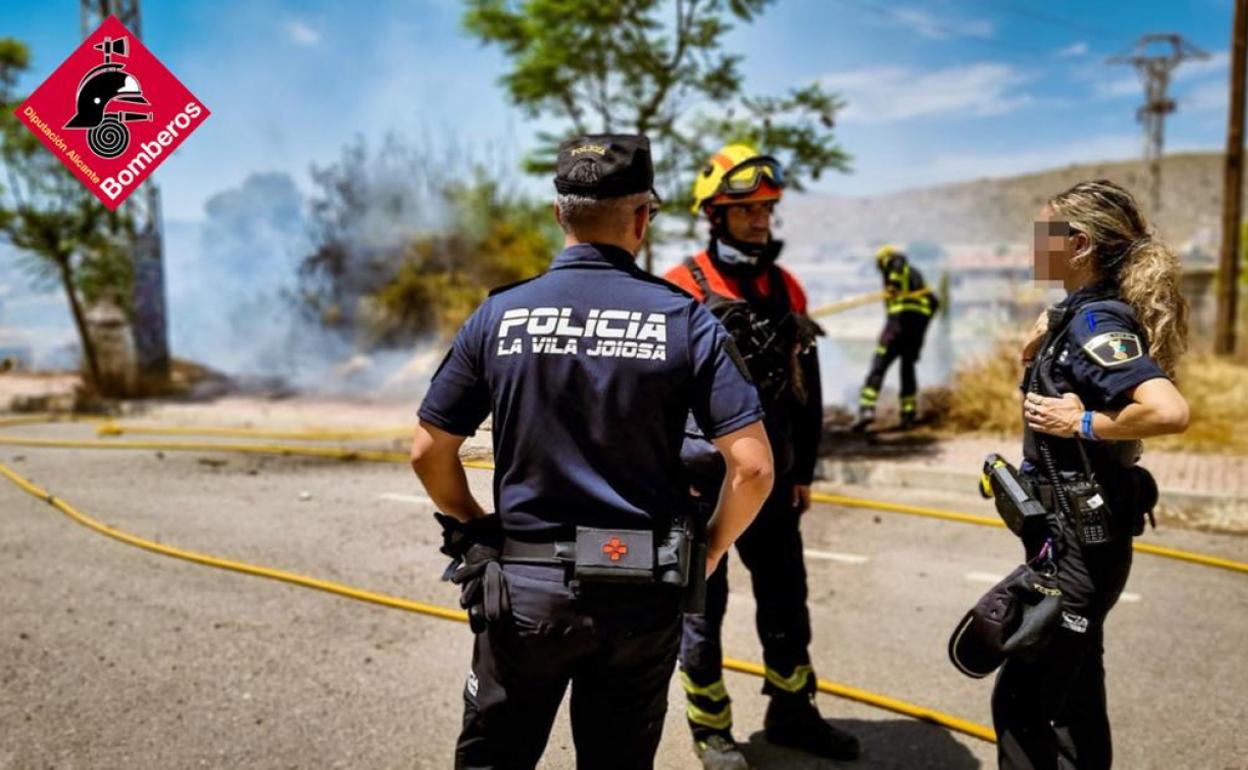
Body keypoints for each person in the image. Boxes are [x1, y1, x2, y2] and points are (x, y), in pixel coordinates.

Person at [410, 133, 774, 770]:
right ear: (641, 218)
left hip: (524, 592)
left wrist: (473, 526)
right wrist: (711, 551)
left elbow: (426, 450)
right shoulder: (686, 321)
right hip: (641, 592)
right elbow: (753, 467)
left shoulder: (500, 315)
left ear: (559, 214)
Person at [665, 144, 859, 769]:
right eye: (745, 209)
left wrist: (804, 471)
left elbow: (809, 389)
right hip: (698, 486)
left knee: (786, 602)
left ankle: (793, 713)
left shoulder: (786, 286)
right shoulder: (678, 286)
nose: (759, 220)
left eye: (767, 209)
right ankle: (711, 728)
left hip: (771, 483)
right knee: (702, 609)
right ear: (714, 214)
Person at [996, 179, 1190, 769]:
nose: (1033, 245)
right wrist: (1036, 351)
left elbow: (1167, 410)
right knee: (1074, 699)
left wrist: (1082, 423)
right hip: (1073, 539)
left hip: (1081, 546)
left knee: (1027, 704)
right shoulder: (1074, 315)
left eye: (1043, 234)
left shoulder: (1095, 321)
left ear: (1077, 243)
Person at [852, 244, 939, 431]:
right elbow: (934, 302)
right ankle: (909, 414)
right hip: (915, 331)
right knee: (907, 369)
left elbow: (896, 266)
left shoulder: (894, 262)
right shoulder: (918, 278)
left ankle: (867, 410)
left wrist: (892, 283)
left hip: (897, 326)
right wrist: (921, 330)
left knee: (879, 365)